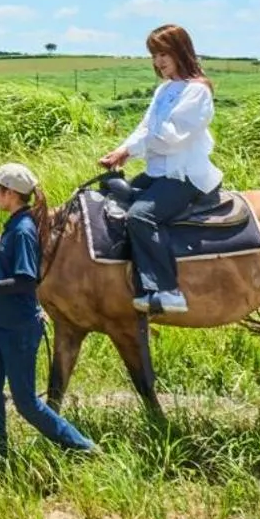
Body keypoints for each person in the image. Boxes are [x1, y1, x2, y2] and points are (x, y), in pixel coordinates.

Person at [0, 163, 100, 459]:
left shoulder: (23, 230)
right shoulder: (15, 225)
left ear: (10, 193)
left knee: (26, 403)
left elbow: (26, 281)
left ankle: (85, 449)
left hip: (18, 330)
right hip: (0, 326)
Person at [98, 24, 221, 316]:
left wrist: (138, 147)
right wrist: (122, 151)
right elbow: (146, 128)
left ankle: (168, 290)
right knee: (110, 194)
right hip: (159, 173)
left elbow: (171, 137)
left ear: (181, 51)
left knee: (141, 216)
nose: (158, 61)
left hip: (184, 175)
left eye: (164, 53)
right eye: (154, 54)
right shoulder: (164, 89)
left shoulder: (197, 91)